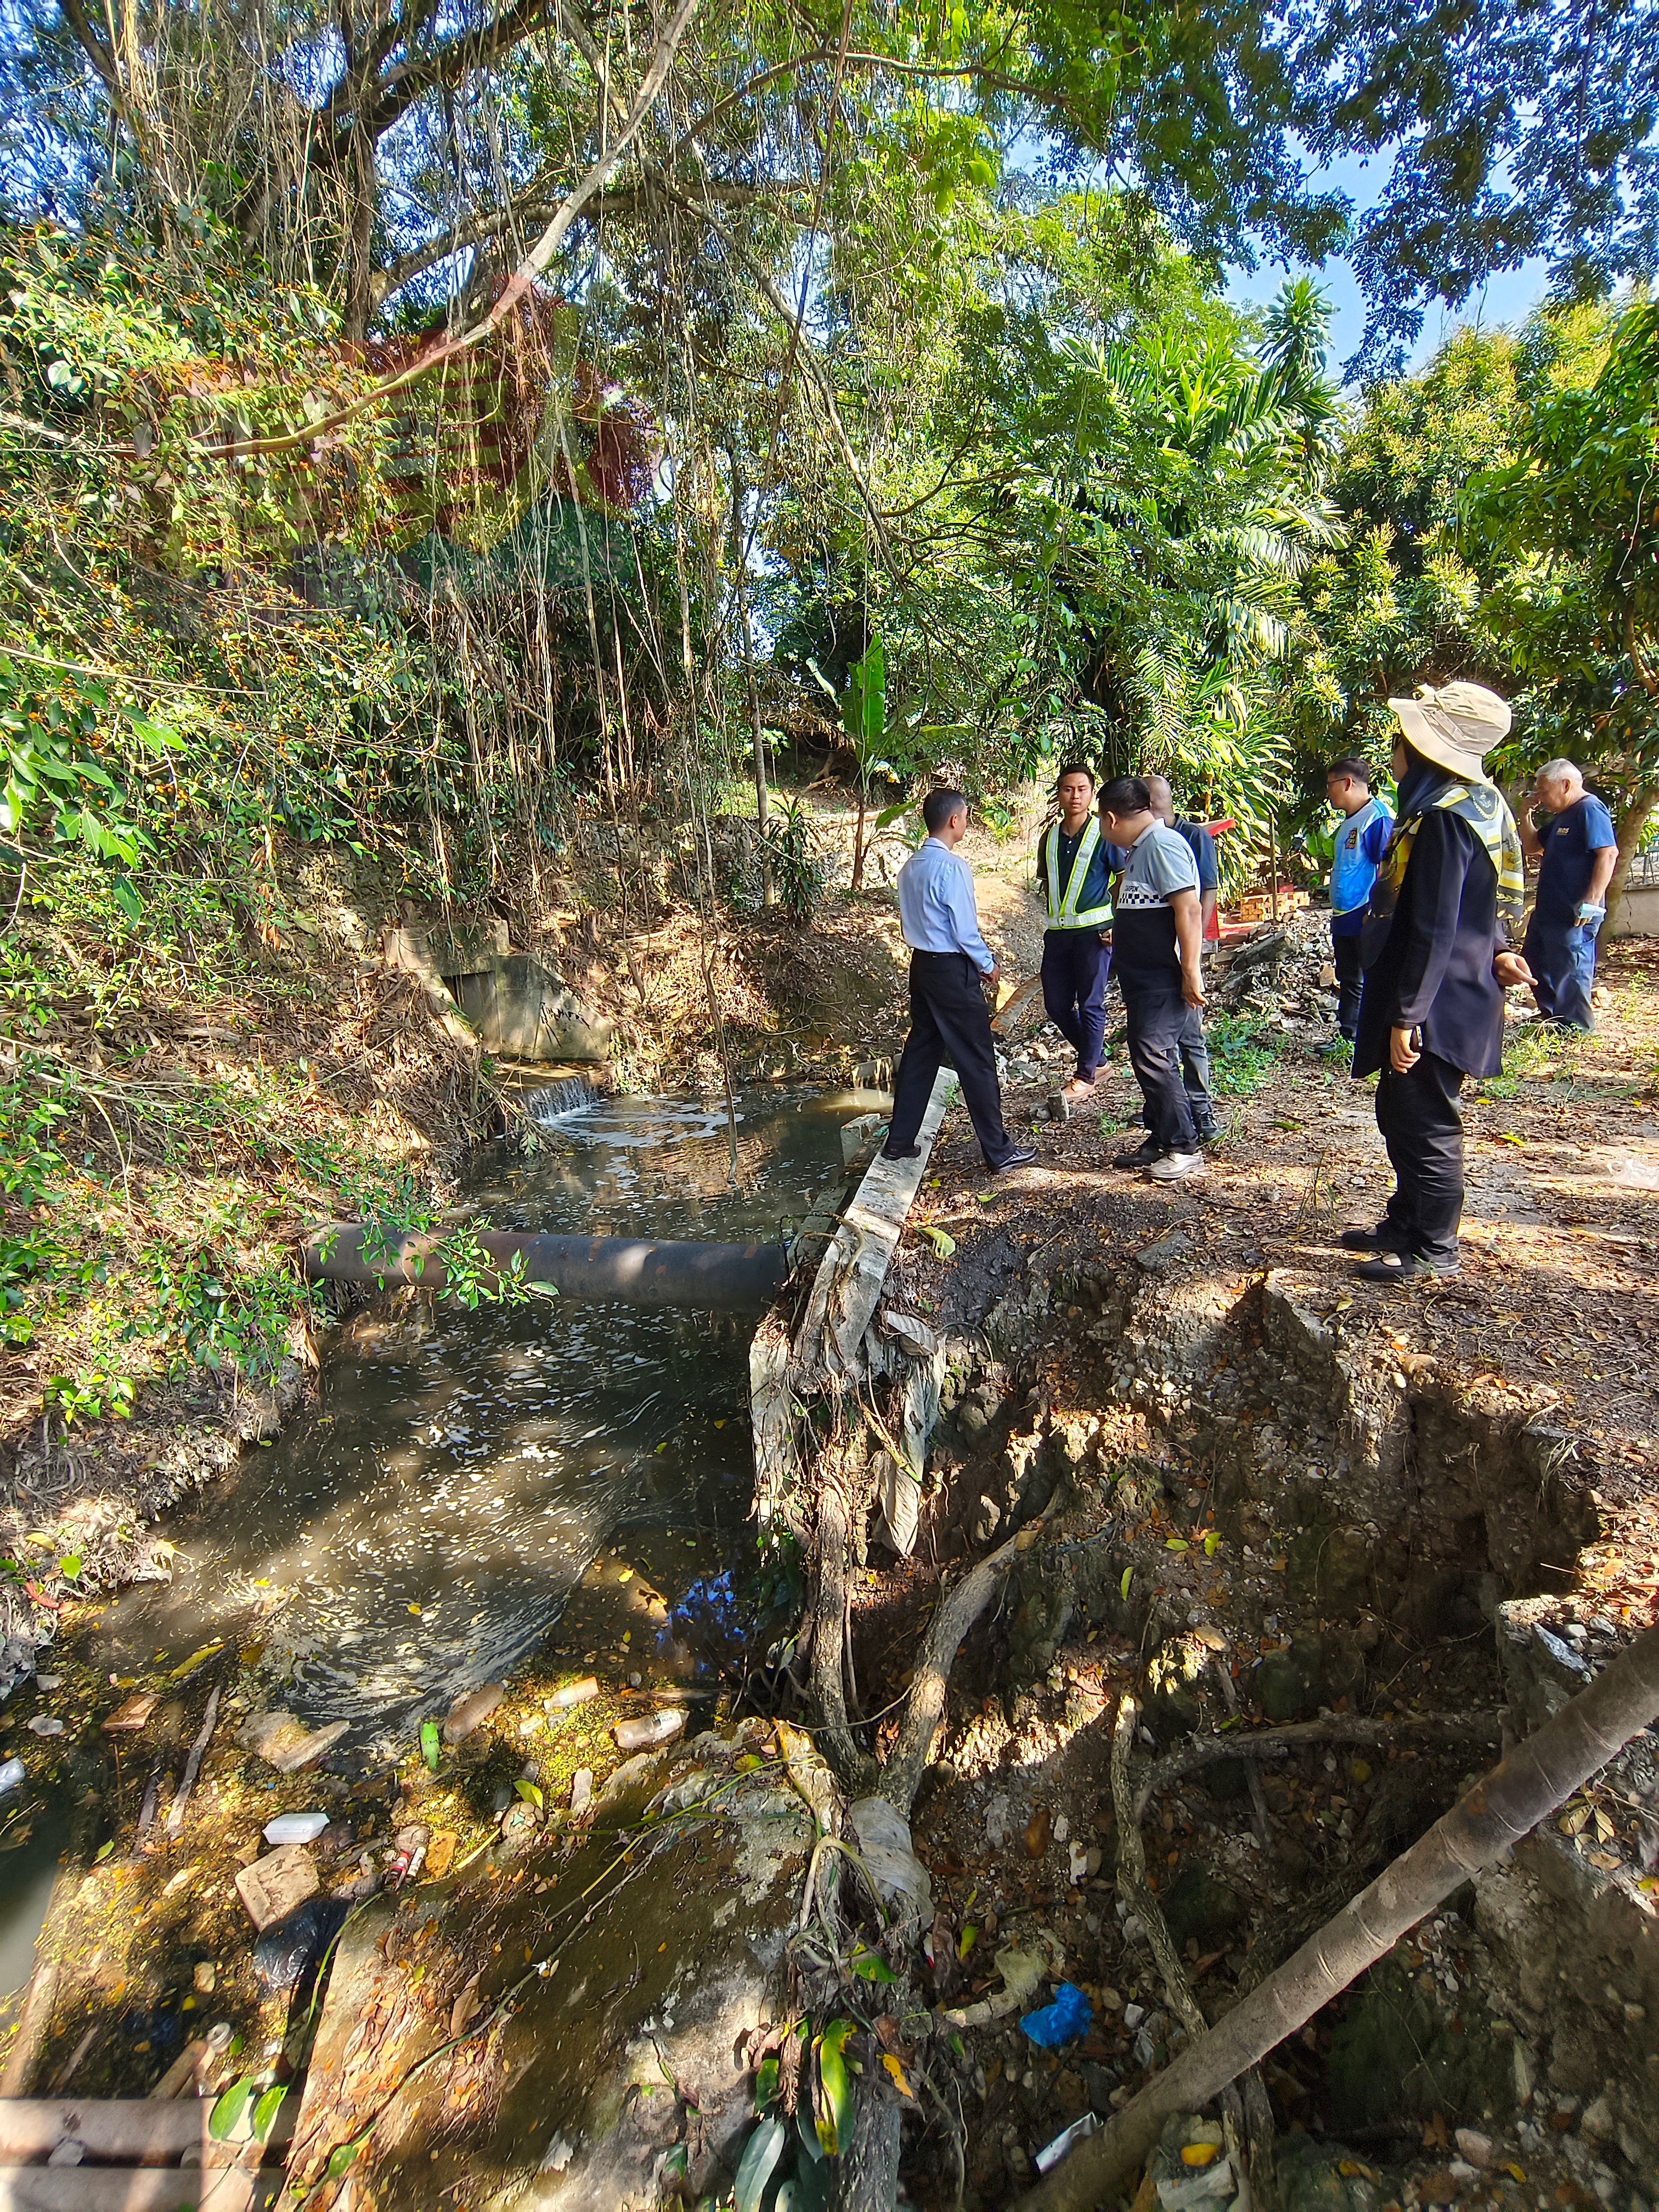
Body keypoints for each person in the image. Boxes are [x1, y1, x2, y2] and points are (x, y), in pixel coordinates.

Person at [1346, 683, 1534, 1283]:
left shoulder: (1447, 821)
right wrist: (1502, 951)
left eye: (1402, 740)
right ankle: (1405, 1222)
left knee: (1428, 1121)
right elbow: (1484, 904)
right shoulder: (1470, 805)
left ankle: (1434, 1248)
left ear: (1423, 750)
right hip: (1443, 984)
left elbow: (1436, 925)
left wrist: (1408, 1016)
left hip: (1438, 997)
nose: (1394, 751)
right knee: (1398, 1112)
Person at [883, 789, 1038, 1173]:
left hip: (922, 967)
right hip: (952, 970)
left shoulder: (910, 868)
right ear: (954, 821)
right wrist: (987, 963)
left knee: (921, 1052)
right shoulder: (952, 868)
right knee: (977, 1057)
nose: (966, 822)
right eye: (966, 816)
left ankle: (899, 1142)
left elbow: (909, 922)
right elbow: (965, 929)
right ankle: (999, 1151)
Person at [1097, 776, 1208, 1183]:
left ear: (1111, 819)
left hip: (1163, 976)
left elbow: (1189, 909)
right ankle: (1160, 1137)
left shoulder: (1162, 845)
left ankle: (1183, 1146)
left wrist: (1191, 969)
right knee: (1150, 1055)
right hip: (1142, 978)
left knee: (1152, 1054)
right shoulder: (1140, 850)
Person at [1143, 774, 1219, 1141]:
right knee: (1161, 1039)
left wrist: (1193, 947)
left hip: (1183, 951)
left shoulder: (1193, 837)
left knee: (1190, 1035)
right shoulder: (1145, 840)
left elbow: (1205, 895)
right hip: (1157, 955)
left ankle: (1202, 1111)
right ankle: (1168, 1111)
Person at [1035, 762, 1115, 1102]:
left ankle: (1086, 1076)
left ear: (1092, 793)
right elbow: (1046, 883)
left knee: (1092, 1003)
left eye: (1082, 789)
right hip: (1058, 935)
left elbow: (1125, 874)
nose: (1075, 796)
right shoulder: (1049, 838)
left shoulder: (1104, 834)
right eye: (1069, 789)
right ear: (1060, 793)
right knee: (1056, 1004)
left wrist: (1118, 922)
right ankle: (1097, 1059)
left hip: (1095, 934)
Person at [1519, 758, 1618, 1031]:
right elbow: (1531, 846)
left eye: (1544, 791)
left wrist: (1592, 898)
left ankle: (1577, 1027)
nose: (1540, 797)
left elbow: (1608, 853)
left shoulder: (1590, 809)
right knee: (1536, 959)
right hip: (1550, 908)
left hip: (1574, 910)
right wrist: (1525, 815)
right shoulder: (1564, 815)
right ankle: (1553, 1016)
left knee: (1571, 969)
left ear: (1566, 785)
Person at [1325, 755, 1395, 1043]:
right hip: (1344, 914)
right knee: (1350, 977)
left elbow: (1389, 866)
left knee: (1366, 977)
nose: (1328, 792)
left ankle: (1363, 1036)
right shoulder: (1348, 823)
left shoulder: (1377, 817)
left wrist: (1378, 910)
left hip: (1364, 912)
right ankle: (1349, 1034)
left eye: (1330, 785)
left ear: (1348, 783)